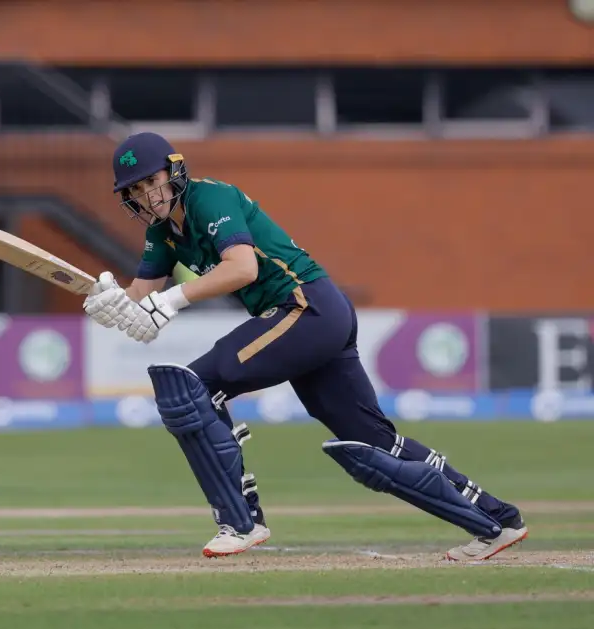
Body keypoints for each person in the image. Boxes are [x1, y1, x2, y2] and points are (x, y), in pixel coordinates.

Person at [82, 132, 528, 561]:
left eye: (152, 181)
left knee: (193, 386)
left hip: (304, 305)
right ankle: (497, 519)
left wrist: (172, 300)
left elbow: (242, 269)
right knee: (374, 443)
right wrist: (112, 303)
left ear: (173, 173)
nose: (147, 195)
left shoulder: (209, 199)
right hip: (316, 316)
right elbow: (140, 296)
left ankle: (242, 521)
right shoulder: (162, 233)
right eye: (136, 190)